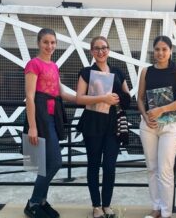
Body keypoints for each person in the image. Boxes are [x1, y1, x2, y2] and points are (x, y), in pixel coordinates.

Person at [76, 36, 130, 218]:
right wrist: (102, 98)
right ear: (91, 51)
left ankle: (107, 204)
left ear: (109, 50)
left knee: (109, 166)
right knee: (93, 165)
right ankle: (96, 206)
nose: (101, 51)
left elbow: (128, 98)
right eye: (97, 48)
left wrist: (115, 98)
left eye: (104, 47)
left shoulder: (118, 72)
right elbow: (79, 98)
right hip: (92, 124)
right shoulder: (86, 72)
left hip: (113, 126)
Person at [24, 28, 75, 218]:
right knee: (55, 162)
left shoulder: (54, 66)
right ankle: (34, 202)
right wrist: (33, 126)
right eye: (46, 42)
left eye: (53, 42)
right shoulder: (33, 64)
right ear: (38, 43)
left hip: (54, 117)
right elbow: (29, 97)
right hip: (40, 117)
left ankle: (42, 201)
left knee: (47, 163)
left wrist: (88, 99)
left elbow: (60, 93)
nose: (50, 46)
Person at [137, 35, 176, 218]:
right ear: (153, 51)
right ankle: (156, 207)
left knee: (165, 169)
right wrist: (145, 115)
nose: (160, 53)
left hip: (169, 126)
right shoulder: (146, 71)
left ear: (170, 51)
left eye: (164, 49)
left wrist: (162, 109)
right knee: (152, 167)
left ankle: (166, 212)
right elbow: (140, 98)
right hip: (149, 125)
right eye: (157, 49)